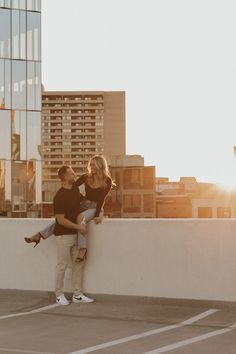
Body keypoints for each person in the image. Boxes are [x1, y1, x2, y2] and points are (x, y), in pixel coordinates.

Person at [24, 155, 114, 261]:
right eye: (91, 164)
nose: (91, 166)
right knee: (66, 217)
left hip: (94, 208)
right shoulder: (87, 177)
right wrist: (69, 198)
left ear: (100, 165)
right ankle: (39, 235)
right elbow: (73, 185)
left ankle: (82, 249)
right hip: (84, 203)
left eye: (94, 164)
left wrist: (98, 214)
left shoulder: (107, 181)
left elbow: (101, 200)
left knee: (80, 218)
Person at [52, 165, 94, 305]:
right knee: (62, 265)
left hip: (75, 235)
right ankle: (59, 295)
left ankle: (77, 295)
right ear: (64, 177)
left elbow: (84, 204)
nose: (74, 174)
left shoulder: (75, 190)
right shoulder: (59, 196)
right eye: (71, 173)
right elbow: (61, 220)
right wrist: (78, 227)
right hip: (63, 235)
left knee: (78, 265)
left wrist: (98, 212)